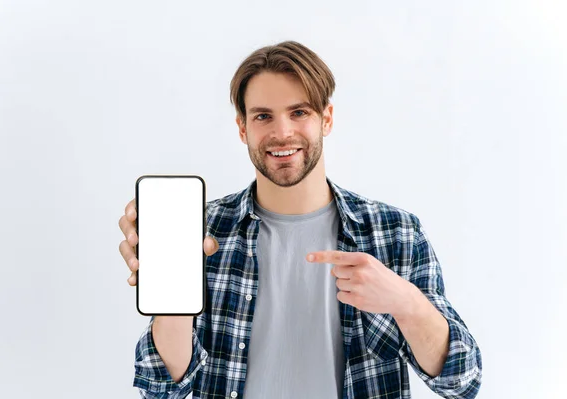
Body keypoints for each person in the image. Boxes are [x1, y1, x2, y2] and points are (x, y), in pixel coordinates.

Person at [118, 40, 482, 399]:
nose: (282, 132)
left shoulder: (393, 233)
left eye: (299, 112)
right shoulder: (205, 233)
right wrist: (172, 294)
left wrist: (406, 302)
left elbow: (462, 381)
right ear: (243, 128)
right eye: (263, 116)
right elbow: (161, 388)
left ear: (327, 118)